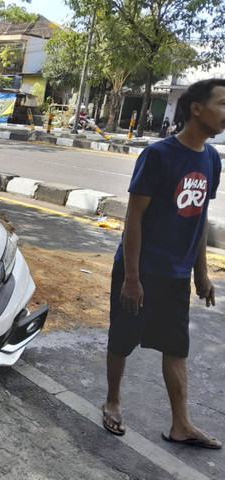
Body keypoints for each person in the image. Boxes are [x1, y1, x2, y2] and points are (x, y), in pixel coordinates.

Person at [102, 79, 225, 449]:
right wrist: (132, 278)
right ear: (197, 109)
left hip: (176, 275)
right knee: (123, 340)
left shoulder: (211, 159)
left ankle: (181, 424)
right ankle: (112, 401)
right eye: (223, 102)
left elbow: (199, 217)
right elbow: (134, 218)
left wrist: (200, 272)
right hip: (139, 272)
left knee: (177, 347)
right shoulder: (158, 155)